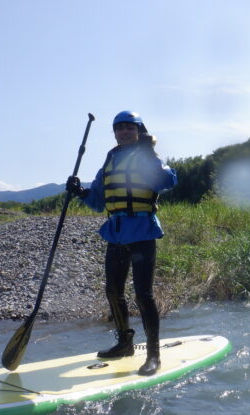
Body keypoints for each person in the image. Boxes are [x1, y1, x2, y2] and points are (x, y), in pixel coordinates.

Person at [66, 111, 177, 376]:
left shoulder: (149, 157)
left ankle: (153, 355)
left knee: (143, 294)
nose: (124, 132)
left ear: (139, 130)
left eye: (129, 128)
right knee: (113, 291)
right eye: (119, 129)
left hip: (142, 229)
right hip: (116, 232)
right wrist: (79, 191)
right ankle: (124, 343)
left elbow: (168, 181)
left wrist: (149, 154)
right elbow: (97, 201)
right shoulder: (110, 161)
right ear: (115, 133)